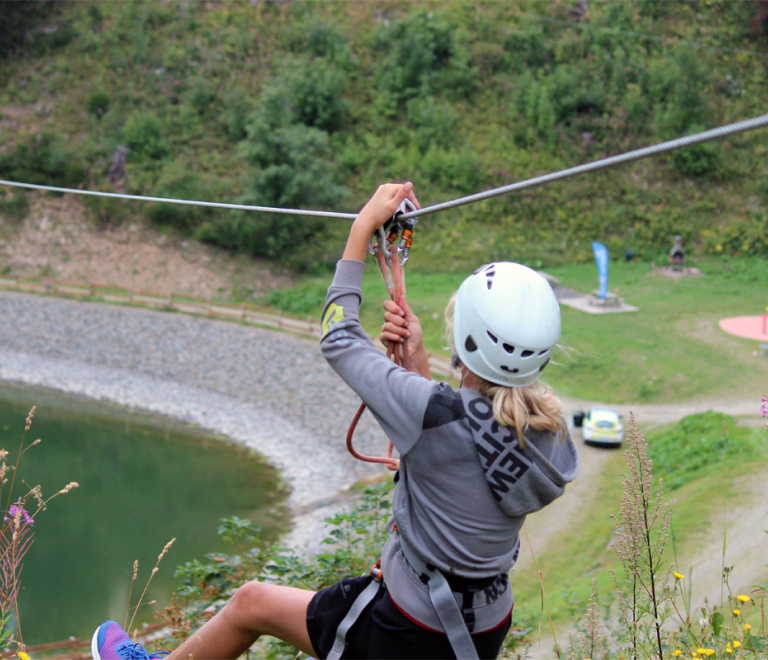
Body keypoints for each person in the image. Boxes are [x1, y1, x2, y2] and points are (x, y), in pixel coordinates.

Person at [91, 182, 579, 660]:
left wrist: (361, 228)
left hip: (408, 629)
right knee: (259, 603)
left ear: (466, 336)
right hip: (479, 629)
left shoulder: (431, 413)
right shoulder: (547, 433)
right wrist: (417, 368)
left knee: (249, 604)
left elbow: (338, 337)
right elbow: (465, 450)